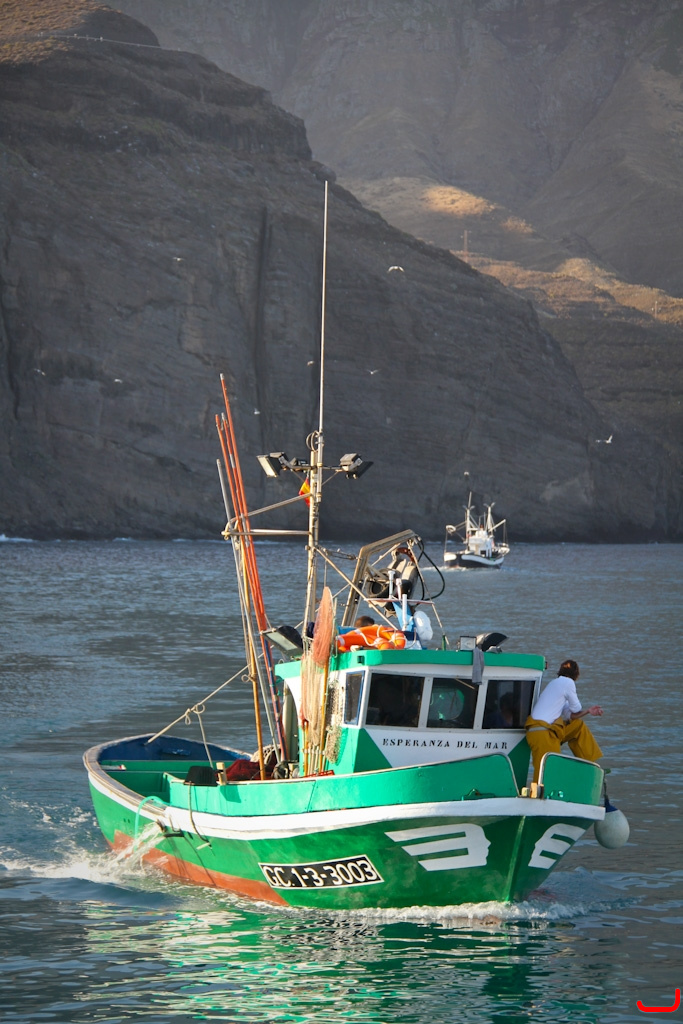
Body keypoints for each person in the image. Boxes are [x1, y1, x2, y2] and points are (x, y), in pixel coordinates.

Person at [525, 659, 603, 782]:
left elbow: (569, 715)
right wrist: (583, 709)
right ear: (576, 675)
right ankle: (537, 794)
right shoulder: (568, 683)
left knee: (577, 726)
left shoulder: (555, 684)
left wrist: (588, 711)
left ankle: (589, 764)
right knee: (547, 773)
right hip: (542, 733)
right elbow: (576, 708)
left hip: (546, 731)